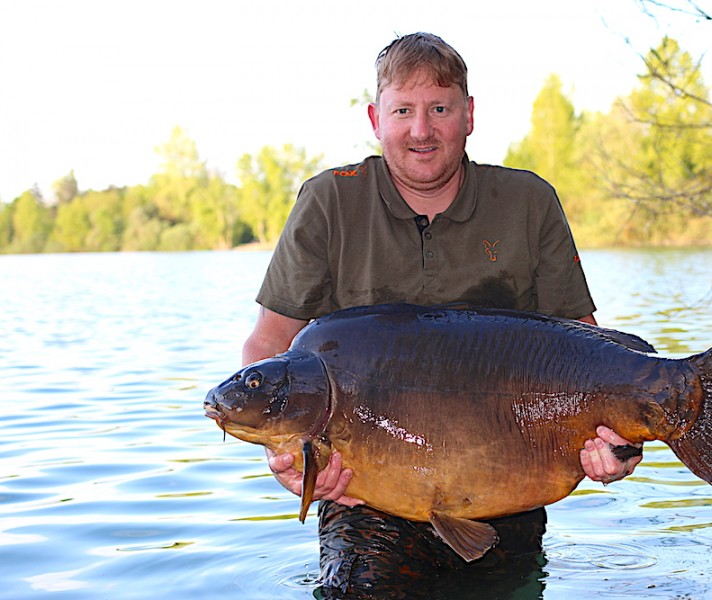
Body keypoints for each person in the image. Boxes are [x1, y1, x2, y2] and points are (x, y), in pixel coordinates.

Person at [241, 32, 643, 598]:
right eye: (403, 110)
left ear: (469, 115)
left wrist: (617, 444)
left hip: (506, 482)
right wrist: (285, 454)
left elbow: (585, 348)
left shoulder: (528, 202)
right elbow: (269, 344)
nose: (421, 130)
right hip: (367, 496)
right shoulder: (330, 202)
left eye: (440, 108)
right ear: (376, 118)